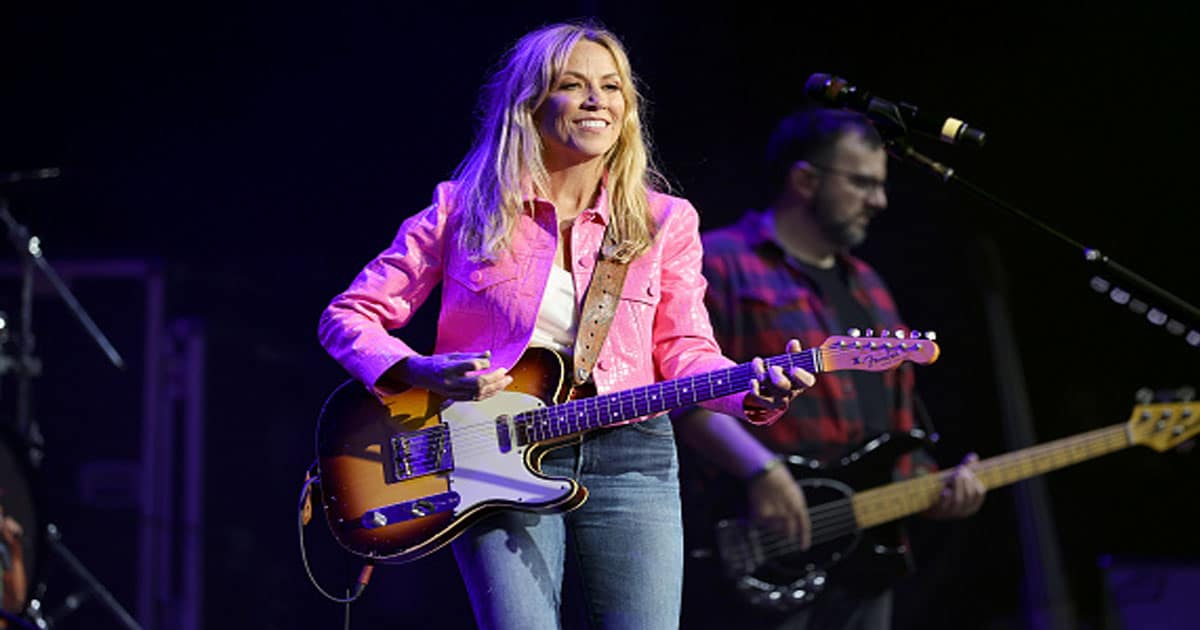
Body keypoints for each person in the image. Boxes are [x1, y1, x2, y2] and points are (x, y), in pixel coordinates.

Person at [317, 22, 815, 630]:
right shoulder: (462, 209)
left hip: (633, 456)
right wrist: (417, 370)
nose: (595, 100)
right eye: (572, 85)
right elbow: (348, 314)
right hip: (490, 453)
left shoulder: (663, 221)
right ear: (529, 104)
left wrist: (751, 390)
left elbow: (686, 349)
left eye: (610, 87)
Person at [673, 108, 987, 630]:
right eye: (862, 182)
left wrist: (937, 489)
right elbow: (680, 389)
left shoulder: (871, 287)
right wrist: (760, 470)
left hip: (866, 556)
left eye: (880, 185)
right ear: (804, 179)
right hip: (758, 544)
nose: (879, 201)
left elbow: (897, 417)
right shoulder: (721, 262)